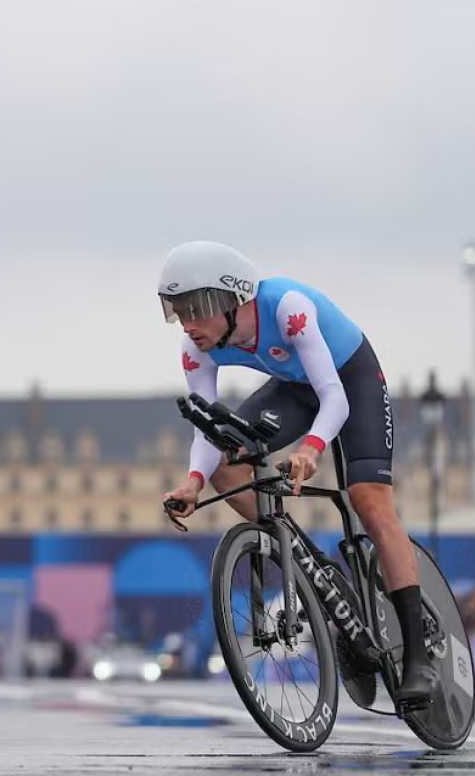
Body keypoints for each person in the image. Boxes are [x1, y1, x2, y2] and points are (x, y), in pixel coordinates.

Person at [158, 239, 437, 707]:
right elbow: (207, 430)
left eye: (197, 308)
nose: (188, 323)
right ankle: (311, 566)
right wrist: (193, 481)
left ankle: (419, 654)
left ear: (234, 299)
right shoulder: (196, 347)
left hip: (350, 382)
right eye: (177, 311)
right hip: (293, 388)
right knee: (227, 461)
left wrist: (310, 449)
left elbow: (335, 398)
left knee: (369, 501)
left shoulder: (288, 309)